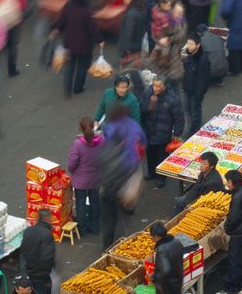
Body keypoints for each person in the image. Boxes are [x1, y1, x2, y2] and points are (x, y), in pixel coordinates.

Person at [99, 103, 147, 249]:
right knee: (123, 219)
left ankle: (107, 248)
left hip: (108, 190)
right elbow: (144, 142)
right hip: (125, 179)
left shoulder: (109, 135)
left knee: (109, 222)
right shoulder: (134, 126)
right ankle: (123, 244)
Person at [53, 0, 105, 99]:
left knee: (70, 65)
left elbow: (62, 21)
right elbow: (93, 29)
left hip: (69, 43)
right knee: (83, 65)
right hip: (84, 45)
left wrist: (57, 30)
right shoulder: (87, 10)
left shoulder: (68, 5)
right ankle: (78, 87)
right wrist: (99, 40)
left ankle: (67, 88)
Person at [139, 76, 184, 187]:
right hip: (149, 130)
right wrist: (150, 105)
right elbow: (142, 109)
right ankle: (151, 173)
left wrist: (177, 133)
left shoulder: (172, 99)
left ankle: (161, 178)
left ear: (164, 86)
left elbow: (179, 117)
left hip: (163, 133)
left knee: (161, 156)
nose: (156, 88)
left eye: (159, 86)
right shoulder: (147, 94)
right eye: (154, 85)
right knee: (150, 154)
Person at [217, 170, 242, 294]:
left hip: (238, 234)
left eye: (227, 181)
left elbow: (234, 218)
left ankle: (230, 289)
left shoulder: (237, 197)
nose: (227, 183)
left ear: (232, 182)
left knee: (234, 261)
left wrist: (227, 227)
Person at [21, 208, 57, 294]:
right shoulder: (47, 235)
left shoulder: (28, 231)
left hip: (29, 272)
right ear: (47, 219)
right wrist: (47, 277)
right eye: (51, 218)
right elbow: (48, 258)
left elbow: (23, 250)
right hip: (41, 276)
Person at [68, 118, 104, 235]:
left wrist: (73, 171)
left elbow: (72, 164)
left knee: (81, 203)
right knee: (95, 201)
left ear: (81, 129)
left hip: (81, 181)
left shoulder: (78, 144)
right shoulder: (102, 140)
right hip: (96, 178)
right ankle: (95, 227)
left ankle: (82, 229)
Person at [182, 33, 211, 136]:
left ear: (197, 45)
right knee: (187, 109)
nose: (188, 46)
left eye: (191, 44)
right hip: (187, 89)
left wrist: (199, 94)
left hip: (195, 92)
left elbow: (203, 80)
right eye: (187, 44)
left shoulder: (203, 60)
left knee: (195, 112)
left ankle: (194, 131)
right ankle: (191, 127)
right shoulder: (190, 56)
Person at [117, 0, 148, 69]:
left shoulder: (131, 14)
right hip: (138, 46)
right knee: (136, 70)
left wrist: (125, 49)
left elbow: (128, 33)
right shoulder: (141, 11)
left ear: (130, 0)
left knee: (127, 71)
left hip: (130, 49)